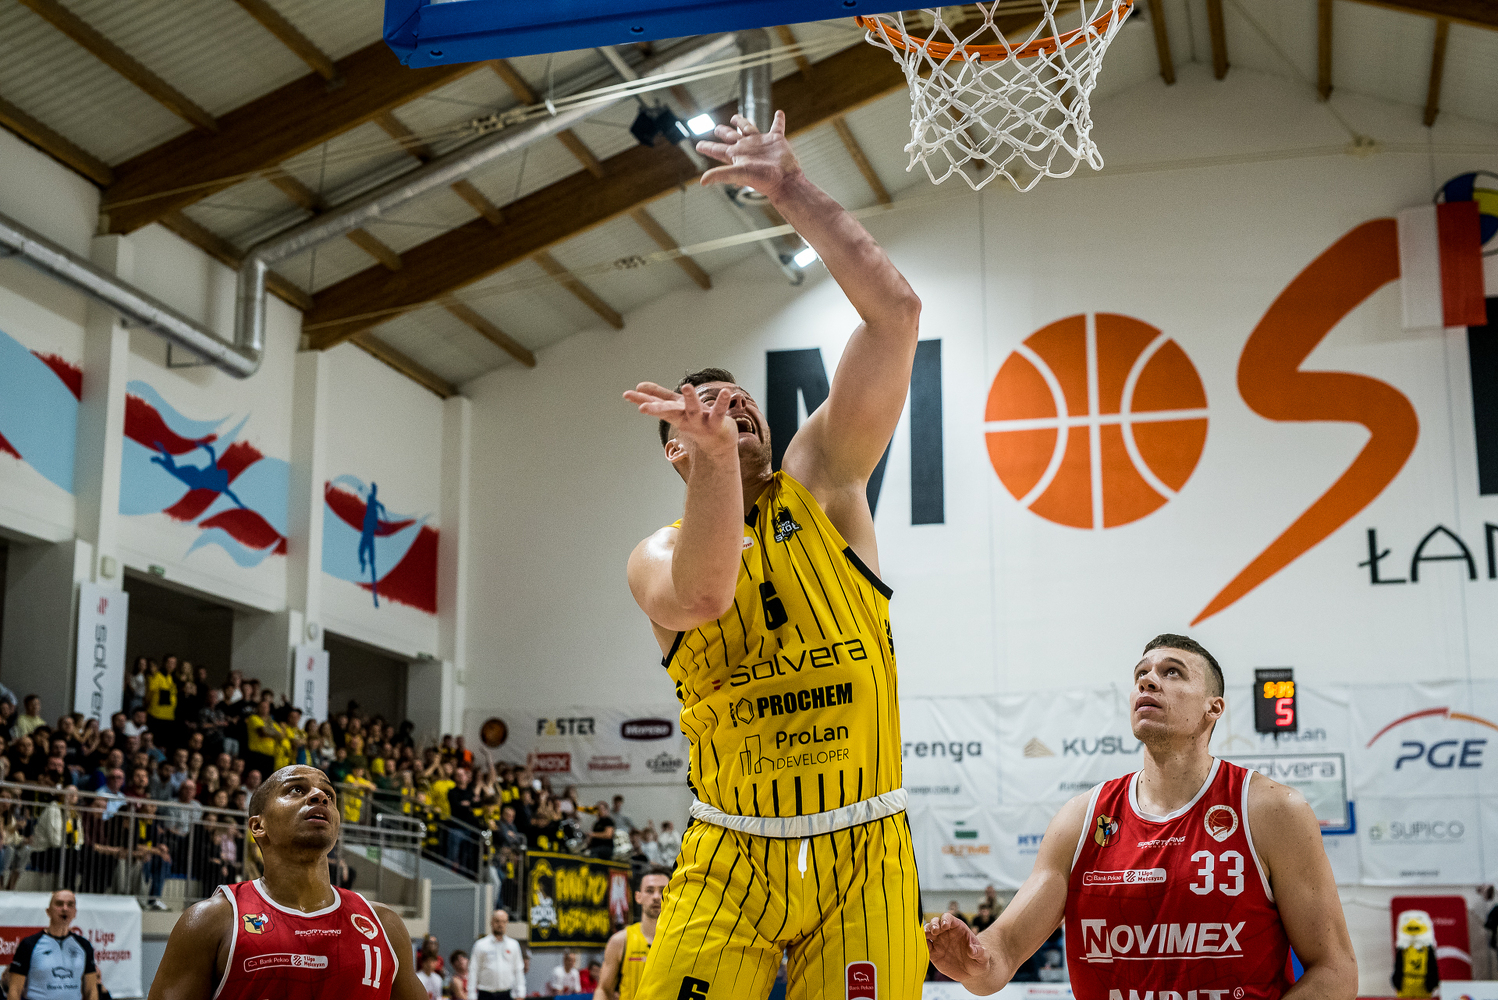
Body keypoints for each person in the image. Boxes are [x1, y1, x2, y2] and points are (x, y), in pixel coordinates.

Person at [622, 108, 925, 1000]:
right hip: (728, 855)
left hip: (863, 845)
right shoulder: (655, 554)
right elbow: (705, 596)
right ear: (673, 449)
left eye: (738, 398)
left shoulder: (823, 480)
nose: (728, 406)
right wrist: (715, 464)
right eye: (702, 406)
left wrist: (792, 190)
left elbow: (896, 316)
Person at [925, 634, 1359, 999]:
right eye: (1141, 675)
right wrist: (975, 962)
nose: (1148, 680)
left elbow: (1335, 972)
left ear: (1214, 708)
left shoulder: (1271, 810)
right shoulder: (1081, 819)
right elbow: (1002, 954)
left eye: (1173, 672)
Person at [145, 764, 426, 1000]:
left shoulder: (385, 926)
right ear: (258, 825)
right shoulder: (210, 921)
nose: (320, 796)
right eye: (296, 790)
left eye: (329, 794)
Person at [8, 890, 98, 1000]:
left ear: (75, 912)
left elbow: (91, 990)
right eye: (59, 904)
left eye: (70, 905)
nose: (65, 908)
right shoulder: (29, 944)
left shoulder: (84, 945)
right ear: (48, 911)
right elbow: (14, 990)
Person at [594, 869, 668, 1000]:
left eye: (663, 891)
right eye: (649, 890)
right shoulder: (620, 941)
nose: (656, 897)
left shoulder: (682, 942)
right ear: (638, 897)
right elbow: (603, 989)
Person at [468, 909, 525, 1000]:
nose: (500, 924)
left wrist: (520, 993)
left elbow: (518, 970)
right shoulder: (480, 945)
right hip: (485, 994)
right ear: (491, 922)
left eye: (503, 922)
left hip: (506, 994)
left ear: (507, 923)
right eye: (497, 921)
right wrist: (471, 996)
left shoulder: (513, 945)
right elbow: (473, 970)